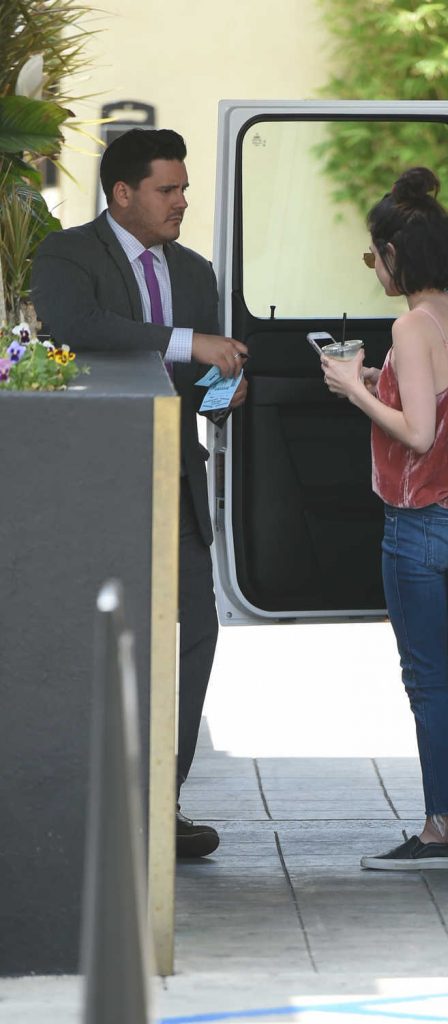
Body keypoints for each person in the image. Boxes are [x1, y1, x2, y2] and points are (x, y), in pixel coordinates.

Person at [31, 128, 248, 858]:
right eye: (167, 189)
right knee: (101, 641)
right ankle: (91, 801)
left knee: (195, 629)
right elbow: (77, 327)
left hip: (174, 483)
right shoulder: (67, 255)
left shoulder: (196, 271)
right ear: (122, 194)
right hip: (91, 489)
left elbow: (204, 382)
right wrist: (192, 344)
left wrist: (226, 387)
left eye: (183, 188)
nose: (182, 201)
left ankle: (164, 800)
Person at [321, 167, 448, 870]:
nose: (373, 268)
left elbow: (419, 434)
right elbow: (447, 405)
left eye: (374, 256)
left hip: (419, 522)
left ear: (396, 254)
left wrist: (349, 387)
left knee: (425, 676)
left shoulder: (411, 323)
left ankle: (438, 828)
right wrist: (378, 381)